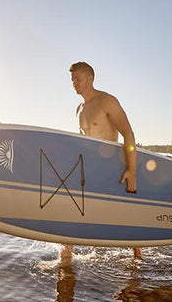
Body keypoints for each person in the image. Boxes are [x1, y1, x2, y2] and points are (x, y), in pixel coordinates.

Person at [65, 61, 141, 259]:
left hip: (110, 169)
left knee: (124, 219)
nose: (74, 83)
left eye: (78, 79)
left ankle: (138, 258)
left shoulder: (107, 101)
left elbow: (128, 133)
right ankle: (66, 257)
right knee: (72, 210)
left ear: (90, 79)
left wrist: (131, 170)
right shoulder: (79, 109)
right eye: (72, 80)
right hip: (88, 169)